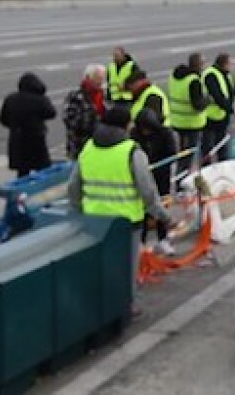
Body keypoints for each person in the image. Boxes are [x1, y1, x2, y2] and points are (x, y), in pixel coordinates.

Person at [67, 105, 173, 311]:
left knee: (99, 266)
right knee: (126, 268)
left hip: (94, 219)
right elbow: (148, 191)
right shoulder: (132, 151)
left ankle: (99, 305)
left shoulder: (88, 148)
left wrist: (79, 209)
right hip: (126, 222)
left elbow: (73, 187)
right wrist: (163, 216)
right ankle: (126, 307)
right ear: (126, 126)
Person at [133, 104, 179, 256]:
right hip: (144, 176)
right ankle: (141, 242)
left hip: (161, 175)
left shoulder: (165, 133)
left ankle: (163, 239)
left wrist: (158, 165)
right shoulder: (135, 134)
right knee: (144, 208)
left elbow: (172, 153)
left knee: (161, 205)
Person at [0, 72, 56, 177]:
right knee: (42, 170)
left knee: (22, 172)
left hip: (17, 140)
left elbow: (3, 119)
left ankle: (22, 192)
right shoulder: (40, 99)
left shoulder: (10, 99)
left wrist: (14, 126)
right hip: (36, 139)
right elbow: (51, 113)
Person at [164, 58, 208, 160]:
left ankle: (181, 171)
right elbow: (197, 105)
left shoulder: (174, 76)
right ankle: (185, 173)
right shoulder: (194, 81)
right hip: (191, 122)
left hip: (177, 120)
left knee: (182, 151)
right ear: (199, 65)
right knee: (190, 153)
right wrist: (207, 100)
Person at [62, 64, 107, 159]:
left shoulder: (103, 96)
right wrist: (94, 119)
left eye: (102, 79)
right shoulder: (75, 97)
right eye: (97, 78)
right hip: (80, 147)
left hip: (100, 146)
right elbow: (70, 122)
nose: (100, 82)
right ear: (88, 78)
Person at [200, 54, 235, 163]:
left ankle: (222, 167)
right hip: (210, 117)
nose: (231, 66)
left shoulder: (226, 75)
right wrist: (232, 110)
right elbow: (217, 96)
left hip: (221, 116)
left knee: (222, 145)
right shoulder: (211, 75)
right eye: (230, 64)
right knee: (208, 146)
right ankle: (207, 169)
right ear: (224, 64)